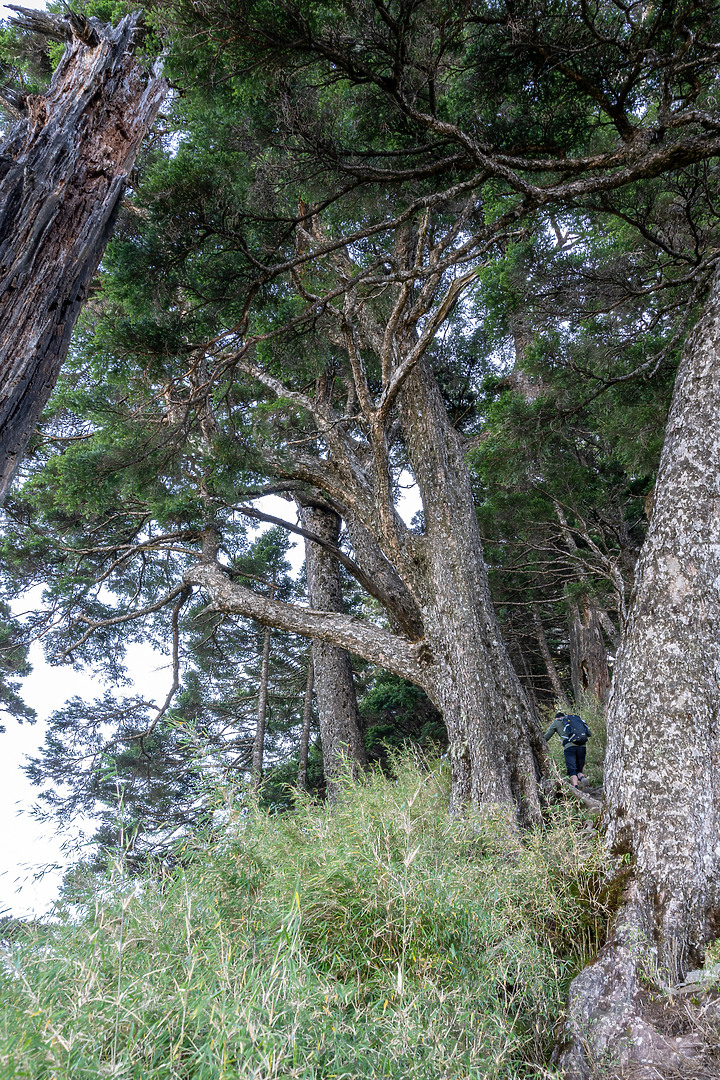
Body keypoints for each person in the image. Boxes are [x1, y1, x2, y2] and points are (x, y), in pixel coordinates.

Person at [545, 710, 590, 788]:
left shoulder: (556, 723)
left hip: (570, 748)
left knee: (572, 770)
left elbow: (546, 737)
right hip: (582, 747)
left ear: (556, 718)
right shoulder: (575, 721)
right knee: (579, 770)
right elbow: (589, 733)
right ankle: (582, 778)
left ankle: (576, 789)